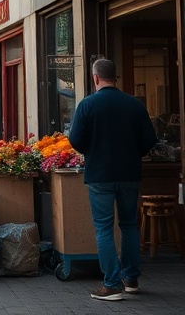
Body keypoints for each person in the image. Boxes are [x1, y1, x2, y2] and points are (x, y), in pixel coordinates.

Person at [68, 56, 157, 302]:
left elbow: (75, 140)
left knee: (104, 229)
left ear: (95, 78)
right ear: (115, 77)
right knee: (129, 226)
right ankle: (131, 279)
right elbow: (150, 139)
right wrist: (133, 153)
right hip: (130, 174)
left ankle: (111, 284)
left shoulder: (87, 105)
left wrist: (93, 150)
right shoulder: (134, 104)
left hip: (100, 176)